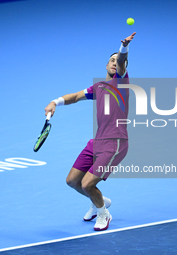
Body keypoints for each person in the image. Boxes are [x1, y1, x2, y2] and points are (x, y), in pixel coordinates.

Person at [44, 32, 136, 231]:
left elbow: (121, 59)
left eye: (118, 61)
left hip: (115, 143)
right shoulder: (99, 87)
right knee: (72, 181)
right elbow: (76, 96)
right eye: (111, 61)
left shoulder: (121, 82)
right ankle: (99, 201)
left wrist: (124, 49)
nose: (115, 63)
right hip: (97, 142)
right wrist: (55, 102)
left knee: (87, 184)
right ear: (105, 66)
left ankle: (104, 213)